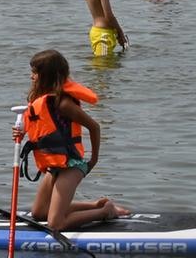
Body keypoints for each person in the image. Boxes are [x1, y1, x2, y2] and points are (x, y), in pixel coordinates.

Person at [23, 50, 128, 230]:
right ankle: (96, 205)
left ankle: (106, 212)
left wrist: (93, 160)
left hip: (71, 165)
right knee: (39, 213)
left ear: (47, 76)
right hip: (55, 166)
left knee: (55, 224)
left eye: (35, 72)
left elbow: (94, 127)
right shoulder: (42, 102)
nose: (32, 77)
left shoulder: (63, 104)